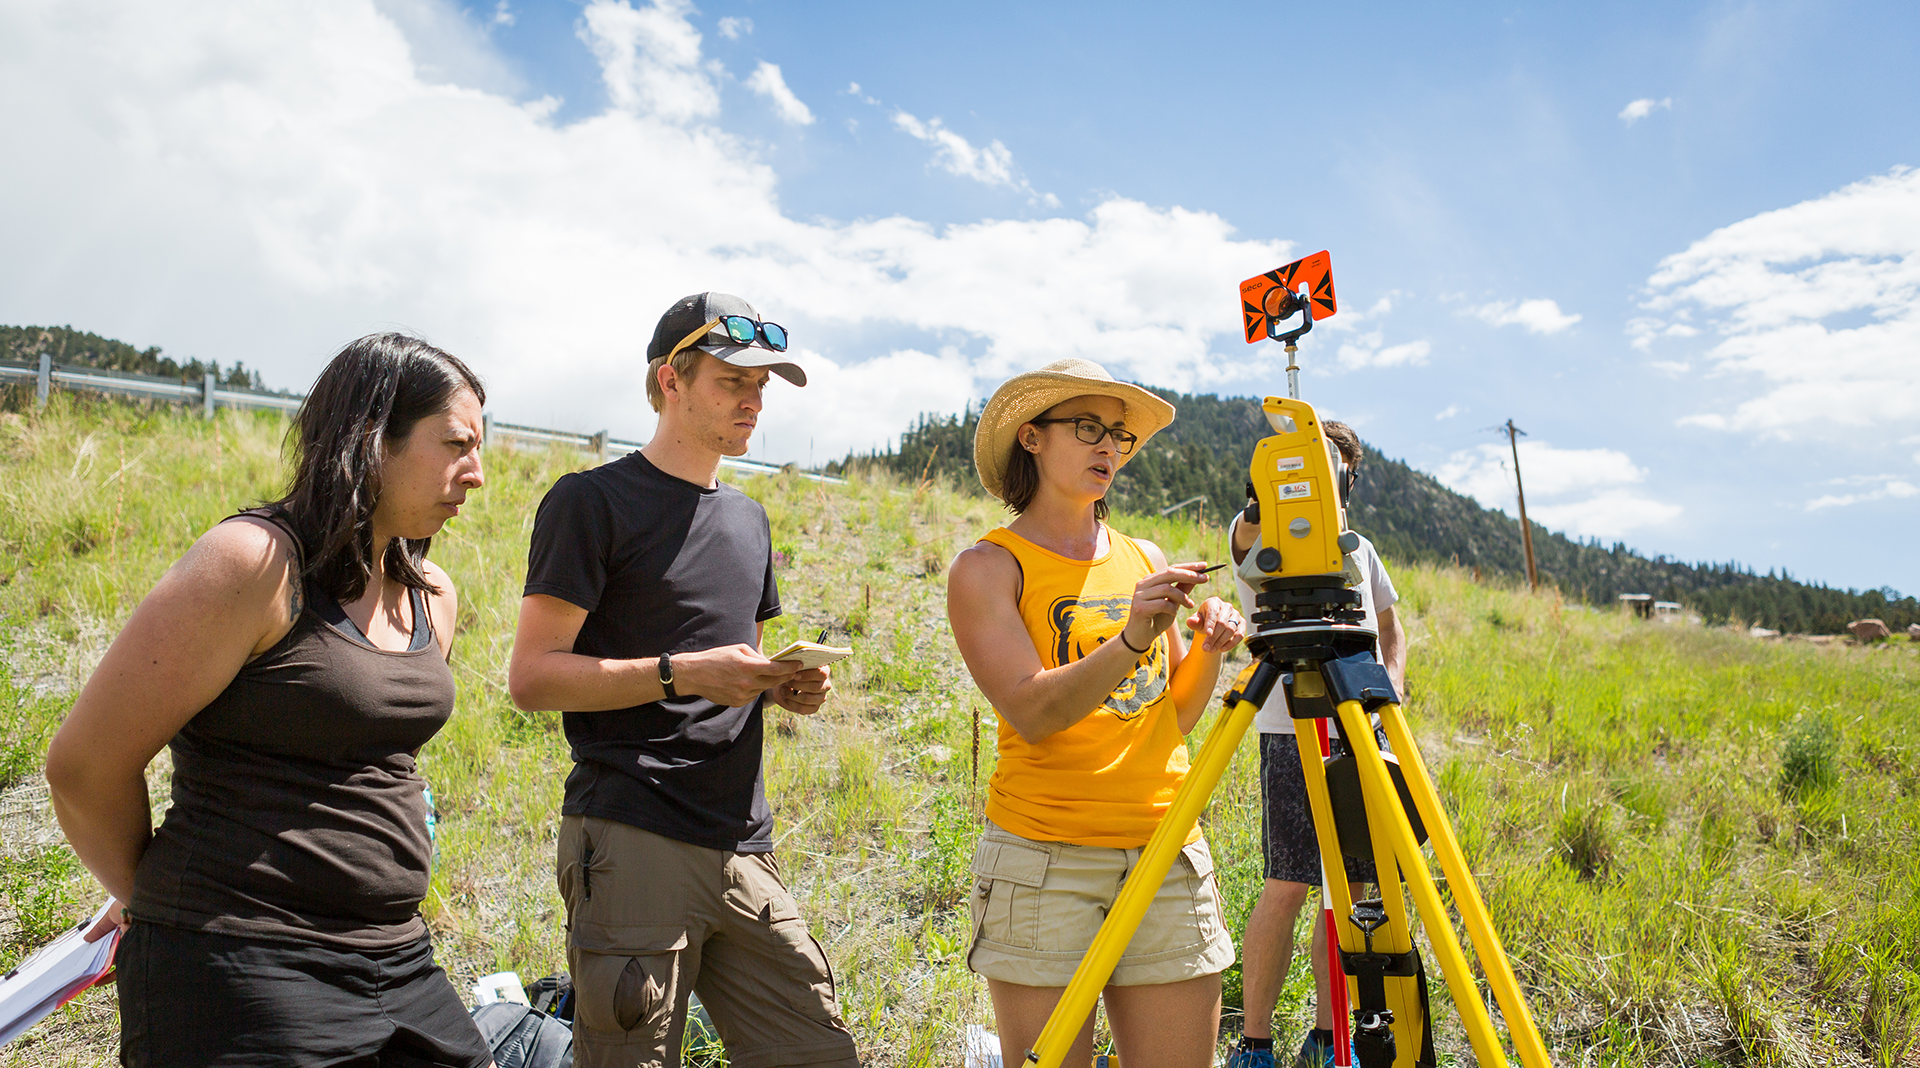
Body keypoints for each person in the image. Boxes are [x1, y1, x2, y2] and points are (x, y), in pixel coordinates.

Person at [44, 333, 494, 1068]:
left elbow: (377, 757)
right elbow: (84, 767)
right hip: (241, 959)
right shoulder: (255, 562)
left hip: (398, 959)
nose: (475, 474)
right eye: (456, 443)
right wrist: (150, 896)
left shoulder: (432, 595)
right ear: (371, 437)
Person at [506, 293, 858, 1068]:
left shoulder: (749, 520)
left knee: (819, 1053)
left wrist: (779, 686)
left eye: (763, 386)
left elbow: (740, 667)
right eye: (735, 381)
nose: (754, 400)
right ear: (671, 379)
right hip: (632, 836)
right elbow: (531, 678)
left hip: (742, 844)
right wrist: (683, 673)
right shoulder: (590, 502)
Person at [946, 358, 1247, 1068]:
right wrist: (1132, 636)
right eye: (1088, 428)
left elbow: (1171, 716)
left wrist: (1210, 649)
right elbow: (1032, 710)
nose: (1108, 447)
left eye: (1119, 435)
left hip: (1166, 851)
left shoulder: (1143, 555)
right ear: (1031, 438)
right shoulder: (987, 568)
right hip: (1043, 858)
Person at [1223, 421, 1406, 1068]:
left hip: (1359, 722)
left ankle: (1331, 1038)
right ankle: (1256, 1043)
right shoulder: (1262, 529)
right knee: (1289, 884)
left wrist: (1391, 697)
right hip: (1287, 725)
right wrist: (1267, 498)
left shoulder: (1362, 549)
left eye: (1337, 471)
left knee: (1354, 887)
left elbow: (1389, 627)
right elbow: (1245, 541)